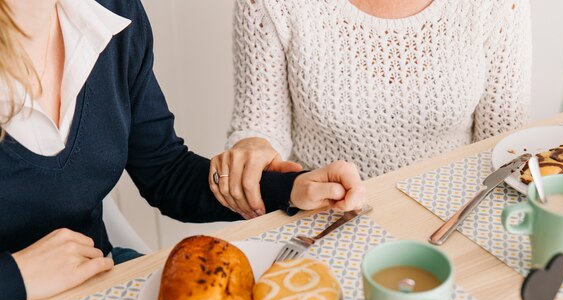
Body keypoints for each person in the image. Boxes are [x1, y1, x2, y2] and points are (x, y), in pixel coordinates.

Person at [0, 0, 366, 300]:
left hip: (99, 281)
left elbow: (166, 172)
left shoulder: (111, 12)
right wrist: (15, 278)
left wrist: (289, 189)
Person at [211, 0, 531, 219]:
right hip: (322, 217)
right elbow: (259, 125)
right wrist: (252, 146)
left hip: (449, 218)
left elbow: (504, 148)